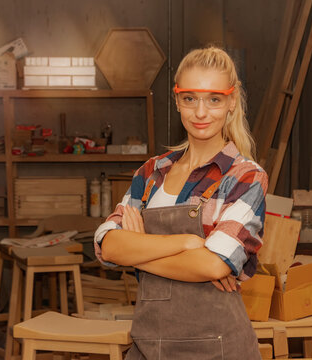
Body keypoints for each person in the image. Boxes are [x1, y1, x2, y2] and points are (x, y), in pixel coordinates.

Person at [94, 46, 268, 359]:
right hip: (149, 345)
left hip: (219, 348)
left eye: (213, 99)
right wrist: (189, 242)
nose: (201, 112)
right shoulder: (151, 173)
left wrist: (139, 249)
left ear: (230, 102)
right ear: (176, 100)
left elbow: (214, 263)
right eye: (190, 98)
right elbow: (107, 245)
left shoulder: (245, 176)